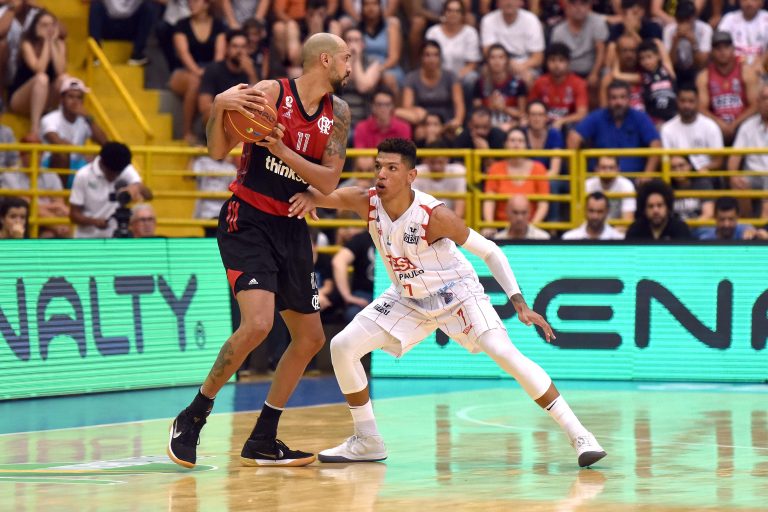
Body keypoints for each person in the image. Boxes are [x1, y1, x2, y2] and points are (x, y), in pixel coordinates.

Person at [288, 138, 606, 468]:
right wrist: (308, 196)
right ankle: (368, 440)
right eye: (378, 166)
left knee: (503, 352)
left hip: (458, 294)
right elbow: (320, 194)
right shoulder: (365, 202)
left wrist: (519, 302)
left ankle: (580, 435)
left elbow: (490, 251)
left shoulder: (433, 215)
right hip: (408, 297)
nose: (381, 174)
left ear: (411, 176)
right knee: (342, 346)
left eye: (392, 168)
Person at [166, 32, 352, 469]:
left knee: (310, 338)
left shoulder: (338, 113)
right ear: (325, 60)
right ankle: (194, 415)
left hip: (291, 227)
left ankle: (263, 438)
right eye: (346, 58)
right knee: (258, 324)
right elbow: (217, 150)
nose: (350, 66)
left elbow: (328, 181)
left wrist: (285, 153)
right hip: (247, 219)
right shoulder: (270, 93)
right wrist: (219, 107)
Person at [568, 80, 661, 174]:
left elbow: (656, 144)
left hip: (633, 177)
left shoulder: (640, 117)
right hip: (601, 177)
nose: (618, 102)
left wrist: (647, 175)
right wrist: (577, 174)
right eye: (614, 98)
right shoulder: (597, 117)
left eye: (622, 97)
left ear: (629, 99)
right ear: (608, 100)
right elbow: (573, 138)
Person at [169, 0, 226, 144]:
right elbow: (183, 54)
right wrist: (198, 71)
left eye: (195, 1)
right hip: (184, 71)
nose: (190, 4)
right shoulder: (181, 25)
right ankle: (187, 132)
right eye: (189, 1)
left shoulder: (218, 25)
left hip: (210, 70)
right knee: (195, 82)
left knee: (216, 80)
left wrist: (208, 73)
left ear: (207, 4)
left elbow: (219, 55)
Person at [69, 142, 153, 238]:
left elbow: (149, 195)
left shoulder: (125, 168)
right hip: (87, 239)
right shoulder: (83, 175)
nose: (115, 176)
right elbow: (73, 215)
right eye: (112, 173)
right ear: (102, 163)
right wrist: (94, 221)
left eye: (118, 173)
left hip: (116, 239)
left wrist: (135, 187)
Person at [8, 9, 68, 139]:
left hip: (46, 97)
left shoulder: (59, 43)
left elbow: (60, 71)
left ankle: (60, 124)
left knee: (64, 79)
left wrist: (52, 44)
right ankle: (35, 128)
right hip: (21, 96)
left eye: (52, 25)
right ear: (35, 27)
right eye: (44, 25)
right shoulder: (27, 44)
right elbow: (39, 69)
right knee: (42, 78)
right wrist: (46, 42)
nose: (49, 29)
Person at [483, 128, 550, 233]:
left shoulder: (539, 169)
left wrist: (532, 228)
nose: (516, 144)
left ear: (526, 145)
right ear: (505, 144)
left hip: (531, 228)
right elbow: (489, 201)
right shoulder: (495, 168)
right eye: (512, 140)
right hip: (501, 228)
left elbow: (543, 204)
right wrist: (489, 225)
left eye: (520, 141)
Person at [40, 77, 107, 182]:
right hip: (51, 166)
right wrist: (83, 152)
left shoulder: (85, 120)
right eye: (71, 96)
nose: (75, 101)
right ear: (62, 99)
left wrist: (89, 117)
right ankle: (60, 192)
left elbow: (104, 142)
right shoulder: (49, 118)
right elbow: (57, 142)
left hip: (78, 165)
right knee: (62, 154)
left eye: (79, 97)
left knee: (106, 156)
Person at [696, 31, 758, 142]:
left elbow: (755, 105)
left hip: (743, 124)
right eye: (718, 48)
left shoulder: (746, 72)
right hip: (715, 126)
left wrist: (735, 124)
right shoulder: (704, 76)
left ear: (733, 49)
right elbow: (702, 108)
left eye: (726, 47)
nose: (722, 51)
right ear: (712, 51)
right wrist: (720, 124)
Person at [397, 40, 465, 136]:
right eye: (427, 55)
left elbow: (459, 105)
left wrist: (457, 120)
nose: (431, 59)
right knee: (419, 133)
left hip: (447, 123)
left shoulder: (450, 76)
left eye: (435, 55)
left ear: (440, 58)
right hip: (423, 123)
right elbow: (407, 106)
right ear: (421, 58)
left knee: (459, 132)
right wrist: (422, 118)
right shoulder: (411, 78)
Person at [198, 30, 258, 127]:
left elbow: (260, 103)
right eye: (235, 46)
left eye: (243, 47)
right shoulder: (213, 69)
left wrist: (252, 74)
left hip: (245, 118)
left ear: (248, 49)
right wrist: (228, 106)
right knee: (208, 113)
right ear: (227, 48)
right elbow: (204, 106)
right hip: (221, 116)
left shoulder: (253, 70)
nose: (239, 51)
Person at [660, 85, 724, 176]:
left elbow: (718, 161)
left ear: (698, 102)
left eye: (691, 101)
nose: (686, 105)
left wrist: (703, 169)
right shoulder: (667, 128)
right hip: (677, 174)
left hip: (704, 174)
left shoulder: (710, 126)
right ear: (677, 101)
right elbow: (666, 160)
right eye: (683, 101)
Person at [480, 0, 545, 85]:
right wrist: (508, 64)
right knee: (485, 71)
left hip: (524, 63)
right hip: (498, 61)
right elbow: (487, 51)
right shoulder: (488, 20)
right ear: (498, 3)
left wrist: (520, 67)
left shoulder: (532, 20)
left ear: (521, 2)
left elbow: (538, 58)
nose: (509, 2)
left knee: (528, 77)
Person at [728, 83, 768, 218]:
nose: (767, 102)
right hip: (753, 174)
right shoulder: (747, 126)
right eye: (764, 98)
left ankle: (763, 225)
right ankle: (747, 222)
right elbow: (734, 157)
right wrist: (733, 176)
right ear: (758, 102)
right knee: (738, 182)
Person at [528, 42, 588, 131]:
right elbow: (531, 109)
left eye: (561, 60)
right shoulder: (540, 82)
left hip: (567, 125)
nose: (556, 65)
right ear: (546, 62)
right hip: (544, 124)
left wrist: (561, 121)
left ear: (568, 63)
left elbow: (581, 114)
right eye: (552, 60)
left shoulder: (578, 83)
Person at [549, 0, 608, 89]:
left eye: (583, 3)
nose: (578, 8)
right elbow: (558, 59)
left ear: (589, 7)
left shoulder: (598, 22)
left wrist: (594, 74)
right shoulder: (558, 31)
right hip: (567, 74)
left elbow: (601, 52)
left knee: (605, 74)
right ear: (567, 7)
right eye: (573, 3)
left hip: (592, 71)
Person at [88, 0, 160, 66]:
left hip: (129, 28)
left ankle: (137, 55)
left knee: (149, 6)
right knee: (95, 5)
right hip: (108, 27)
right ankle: (95, 54)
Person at [473, 43, 528, 131]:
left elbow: (522, 114)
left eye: (501, 57)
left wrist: (504, 108)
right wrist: (490, 107)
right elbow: (477, 114)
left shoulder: (518, 84)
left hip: (511, 126)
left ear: (507, 60)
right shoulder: (480, 84)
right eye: (493, 57)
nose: (497, 61)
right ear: (488, 61)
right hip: (487, 128)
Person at [413, 140, 467, 218]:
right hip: (423, 221)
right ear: (426, 160)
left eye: (440, 162)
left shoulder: (458, 172)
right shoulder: (417, 173)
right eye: (432, 162)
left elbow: (459, 209)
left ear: (447, 159)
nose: (436, 167)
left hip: (451, 221)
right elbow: (414, 208)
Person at [663, 0, 711, 84]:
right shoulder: (669, 30)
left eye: (687, 19)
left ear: (694, 17)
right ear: (676, 19)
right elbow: (670, 64)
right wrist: (675, 43)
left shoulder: (705, 29)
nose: (684, 23)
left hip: (696, 70)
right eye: (681, 19)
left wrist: (693, 43)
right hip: (677, 70)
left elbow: (702, 64)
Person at [625, 179, 692, 240]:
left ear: (667, 207)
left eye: (659, 205)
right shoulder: (635, 230)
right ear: (644, 209)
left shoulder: (680, 229)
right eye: (650, 206)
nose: (655, 210)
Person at [332, 229, 375, 324]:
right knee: (353, 313)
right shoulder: (363, 238)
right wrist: (347, 296)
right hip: (365, 295)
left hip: (396, 295)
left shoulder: (401, 237)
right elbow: (338, 261)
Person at [584, 156, 636, 224]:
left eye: (611, 168)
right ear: (596, 169)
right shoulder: (587, 185)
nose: (607, 171)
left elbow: (627, 220)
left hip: (617, 228)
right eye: (603, 167)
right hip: (593, 227)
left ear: (618, 169)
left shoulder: (626, 185)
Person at [717, 0, 768, 68]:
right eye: (745, 0)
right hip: (732, 66)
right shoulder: (729, 18)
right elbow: (720, 46)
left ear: (762, 2)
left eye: (754, 0)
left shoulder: (766, 18)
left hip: (761, 67)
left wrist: (760, 63)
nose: (749, 3)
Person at [697, 196, 766, 240]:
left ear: (737, 217)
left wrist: (754, 234)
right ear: (715, 218)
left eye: (731, 219)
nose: (726, 224)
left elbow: (751, 230)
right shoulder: (706, 239)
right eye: (722, 219)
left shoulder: (745, 231)